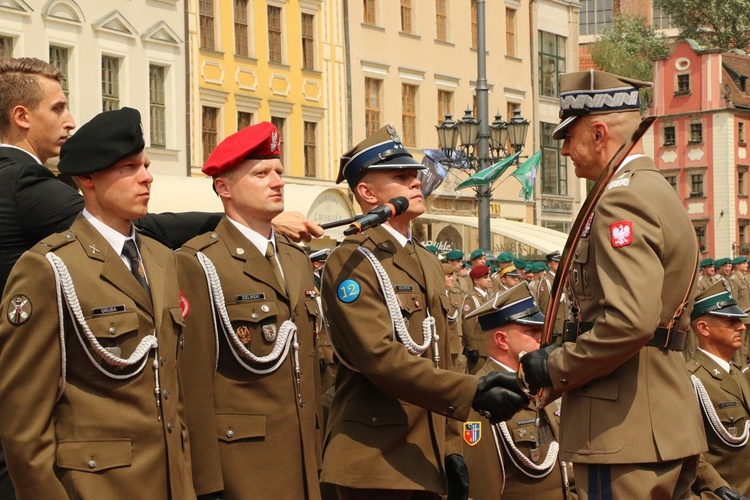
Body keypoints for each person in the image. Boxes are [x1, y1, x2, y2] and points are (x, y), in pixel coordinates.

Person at [519, 70, 707, 498]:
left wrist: (555, 366)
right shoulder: (654, 188)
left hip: (621, 426)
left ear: (599, 132)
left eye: (569, 136)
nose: (564, 149)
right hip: (660, 419)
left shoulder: (620, 199)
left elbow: (630, 321)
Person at [319, 125, 528, 499]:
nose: (415, 182)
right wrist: (472, 391)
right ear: (367, 193)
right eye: (400, 177)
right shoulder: (351, 260)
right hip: (375, 461)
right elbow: (379, 357)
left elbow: (444, 357)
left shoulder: (427, 262)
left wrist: (451, 447)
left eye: (414, 174)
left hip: (425, 455)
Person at [0, 108, 195, 498]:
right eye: (128, 167)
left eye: (146, 165)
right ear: (87, 178)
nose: (147, 176)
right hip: (97, 486)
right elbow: (24, 425)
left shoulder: (160, 258)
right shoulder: (49, 267)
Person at [175, 122, 323, 499]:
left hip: (308, 458)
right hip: (243, 466)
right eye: (261, 174)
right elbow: (193, 383)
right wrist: (205, 482)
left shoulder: (295, 259)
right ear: (224, 187)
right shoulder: (199, 262)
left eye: (278, 171)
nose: (277, 182)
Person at [463, 283, 575, 500]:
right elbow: (483, 485)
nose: (542, 338)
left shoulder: (541, 385)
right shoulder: (483, 396)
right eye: (532, 331)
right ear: (502, 340)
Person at [687, 281, 750, 498]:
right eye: (731, 321)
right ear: (703, 328)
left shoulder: (737, 374)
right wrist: (716, 488)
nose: (741, 327)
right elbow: (690, 453)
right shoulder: (691, 380)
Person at [462, 264, 494, 374]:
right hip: (479, 349)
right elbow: (468, 326)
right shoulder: (472, 298)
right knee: (478, 380)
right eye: (485, 278)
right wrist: (472, 348)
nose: (489, 280)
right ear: (476, 280)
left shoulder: (489, 297)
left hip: (489, 347)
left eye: (488, 277)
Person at [444, 263, 468, 374]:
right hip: (444, 340)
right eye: (448, 276)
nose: (453, 279)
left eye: (452, 276)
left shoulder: (452, 295)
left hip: (457, 337)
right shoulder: (435, 295)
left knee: (459, 365)